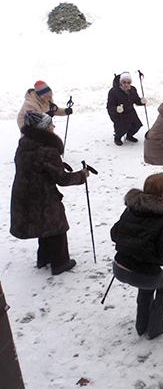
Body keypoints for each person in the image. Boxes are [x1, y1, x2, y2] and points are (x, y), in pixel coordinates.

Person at [110, 174, 163, 339]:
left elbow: (114, 233)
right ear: (161, 192)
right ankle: (156, 326)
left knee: (148, 279)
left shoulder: (133, 207)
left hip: (119, 267)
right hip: (142, 273)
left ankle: (141, 325)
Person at [10, 111, 90, 275]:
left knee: (44, 225)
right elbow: (63, 179)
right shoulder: (47, 150)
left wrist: (57, 164)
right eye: (50, 124)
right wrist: (82, 175)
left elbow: (37, 165)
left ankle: (44, 258)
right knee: (56, 226)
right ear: (43, 129)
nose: (53, 126)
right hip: (42, 196)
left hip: (24, 193)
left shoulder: (25, 144)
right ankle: (60, 263)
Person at [107, 72, 146, 146]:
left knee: (137, 126)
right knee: (121, 129)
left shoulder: (133, 89)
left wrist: (141, 101)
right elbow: (109, 106)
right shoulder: (113, 92)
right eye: (124, 82)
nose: (126, 84)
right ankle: (117, 138)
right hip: (119, 114)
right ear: (120, 82)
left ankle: (129, 136)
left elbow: (136, 100)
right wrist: (117, 109)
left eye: (128, 82)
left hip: (131, 112)